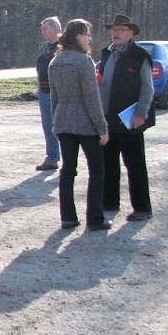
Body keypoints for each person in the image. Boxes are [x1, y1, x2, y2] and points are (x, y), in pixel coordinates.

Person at [48, 19, 111, 231]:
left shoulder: (55, 62)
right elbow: (92, 99)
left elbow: (53, 98)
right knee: (97, 169)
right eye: (87, 34)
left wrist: (55, 123)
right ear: (78, 36)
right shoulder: (84, 62)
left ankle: (67, 217)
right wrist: (102, 128)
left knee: (68, 170)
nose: (89, 38)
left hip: (63, 121)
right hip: (84, 123)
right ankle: (95, 218)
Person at [98, 14, 154, 222]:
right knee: (108, 163)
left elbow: (147, 88)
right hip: (107, 119)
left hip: (130, 120)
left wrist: (141, 114)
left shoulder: (139, 55)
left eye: (121, 30)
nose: (116, 33)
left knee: (135, 165)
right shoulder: (106, 54)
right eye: (113, 29)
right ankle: (110, 202)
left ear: (131, 33)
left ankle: (142, 208)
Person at [36, 16, 62, 171]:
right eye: (42, 29)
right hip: (44, 91)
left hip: (58, 92)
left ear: (56, 28)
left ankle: (64, 157)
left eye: (45, 28)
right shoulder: (45, 47)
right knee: (48, 125)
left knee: (61, 126)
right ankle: (52, 157)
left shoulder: (64, 46)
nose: (42, 31)